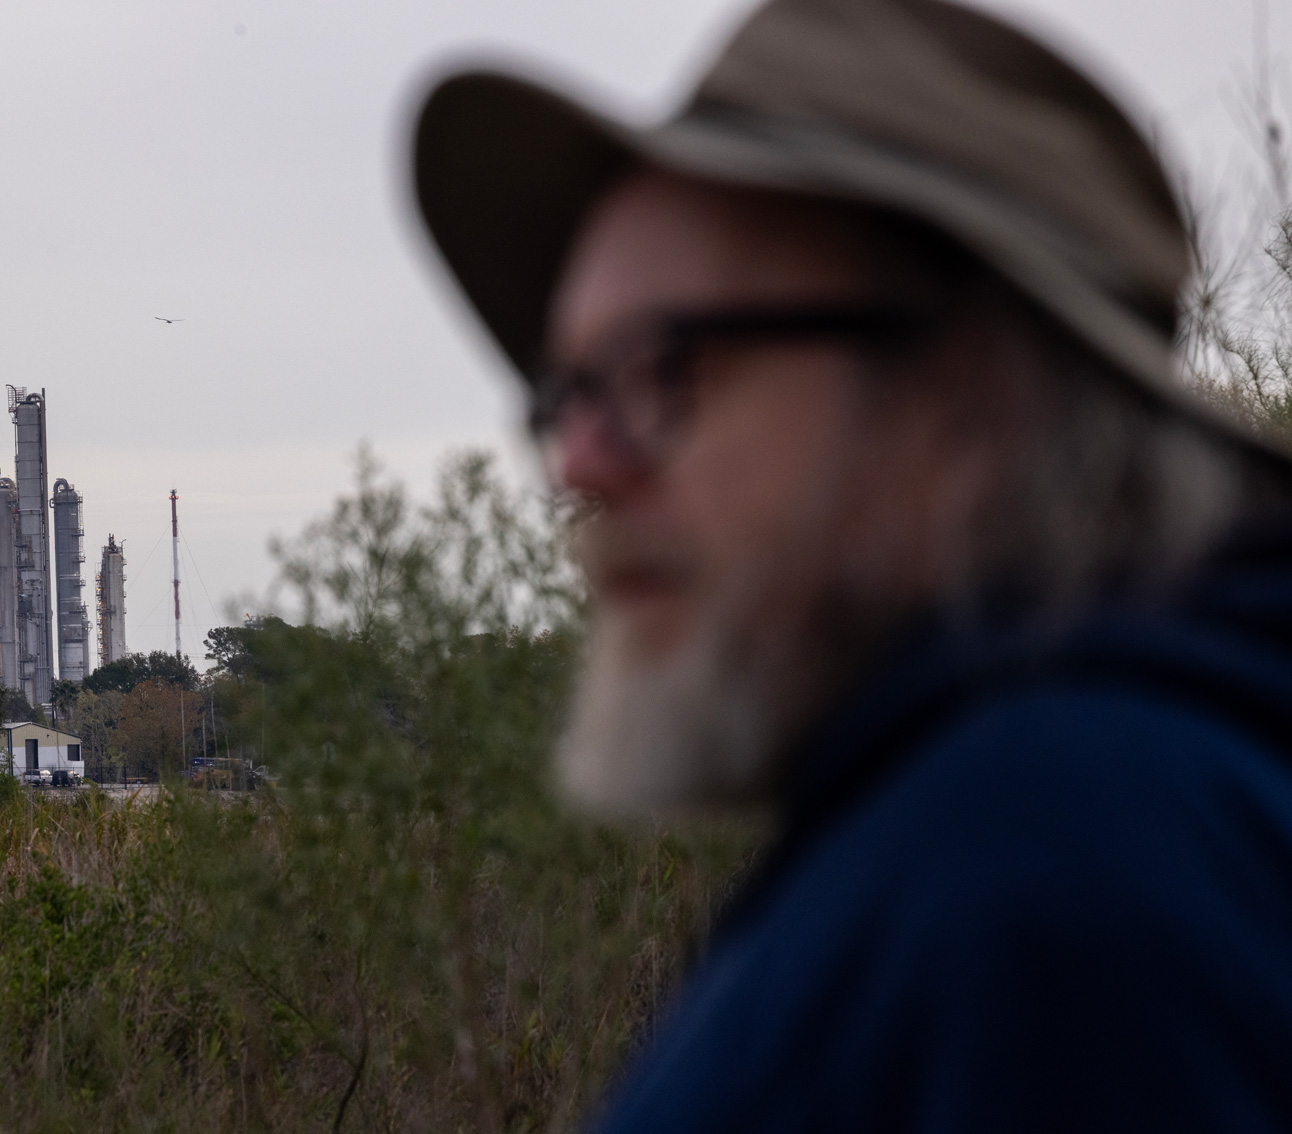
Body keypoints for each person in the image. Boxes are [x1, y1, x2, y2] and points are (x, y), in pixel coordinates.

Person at [411, 0, 1292, 1128]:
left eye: (659, 366)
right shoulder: (1027, 825)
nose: (576, 466)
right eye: (565, 391)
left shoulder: (1048, 878)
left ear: (966, 393)